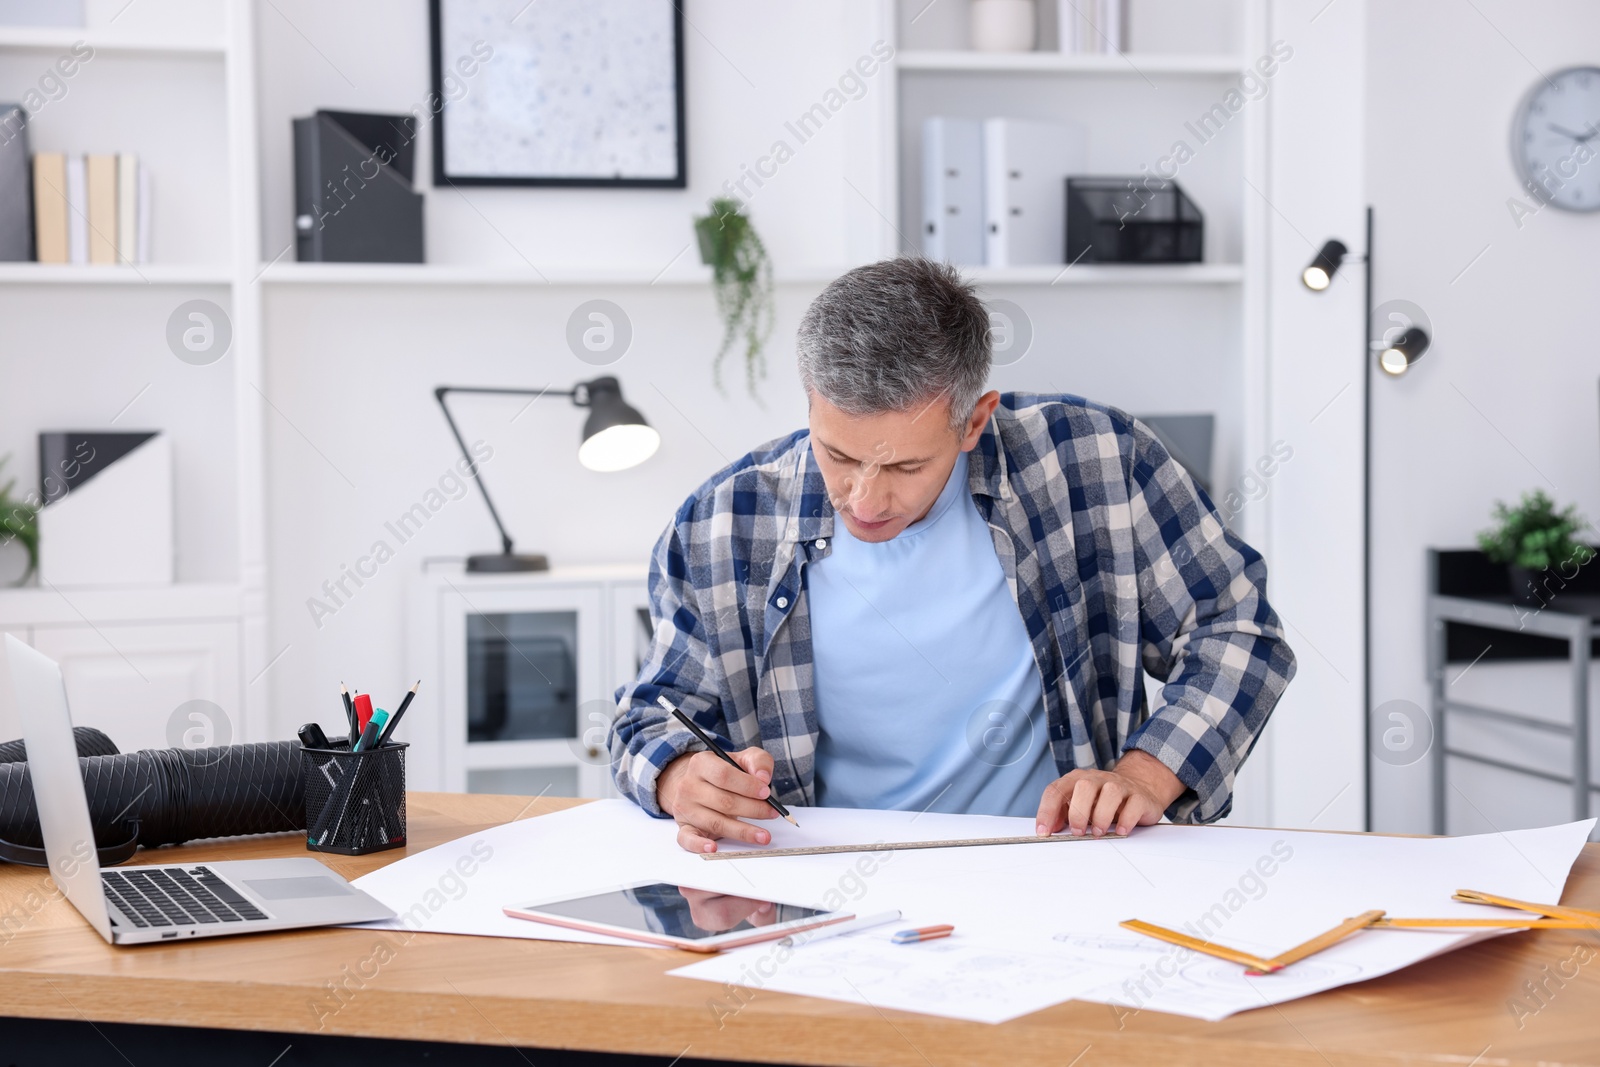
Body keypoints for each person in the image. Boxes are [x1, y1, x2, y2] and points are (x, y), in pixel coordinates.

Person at [609, 257, 1296, 854]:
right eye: (839, 455)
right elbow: (645, 719)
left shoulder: (1098, 460)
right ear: (811, 403)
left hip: (1058, 868)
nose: (865, 499)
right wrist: (678, 776)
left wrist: (1145, 776)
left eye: (905, 466)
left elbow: (1239, 630)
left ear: (975, 418)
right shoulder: (722, 523)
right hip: (818, 884)